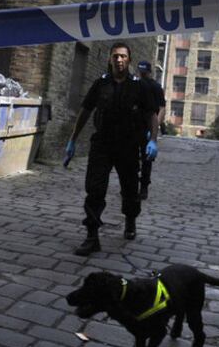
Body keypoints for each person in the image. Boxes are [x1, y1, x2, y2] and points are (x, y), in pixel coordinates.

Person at [65, 42, 158, 256]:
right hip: (102, 145)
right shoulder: (101, 84)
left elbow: (151, 115)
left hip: (128, 145)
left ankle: (131, 220)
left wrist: (153, 139)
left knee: (130, 190)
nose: (119, 60)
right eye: (115, 56)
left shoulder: (139, 86)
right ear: (110, 59)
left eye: (123, 56)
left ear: (129, 60)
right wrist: (72, 140)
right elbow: (86, 111)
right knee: (95, 189)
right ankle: (92, 236)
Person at [136, 60, 166, 200]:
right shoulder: (134, 84)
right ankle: (131, 183)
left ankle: (144, 187)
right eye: (140, 71)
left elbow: (161, 109)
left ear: (149, 72)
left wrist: (155, 128)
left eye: (144, 72)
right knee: (130, 157)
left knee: (147, 158)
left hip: (148, 125)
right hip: (134, 126)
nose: (142, 74)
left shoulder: (156, 87)